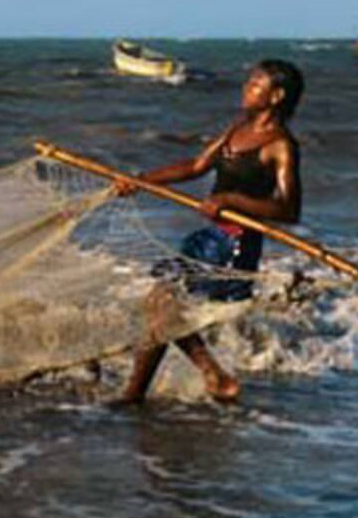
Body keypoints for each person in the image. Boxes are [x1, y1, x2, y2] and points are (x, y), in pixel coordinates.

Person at [115, 59, 304, 404]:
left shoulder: (280, 145)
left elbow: (288, 210)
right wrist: (141, 180)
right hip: (210, 235)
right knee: (161, 303)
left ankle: (145, 392)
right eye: (248, 83)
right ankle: (189, 381)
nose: (246, 90)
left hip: (236, 242)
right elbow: (195, 166)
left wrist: (233, 199)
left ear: (276, 96)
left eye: (255, 85)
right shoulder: (237, 131)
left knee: (164, 303)